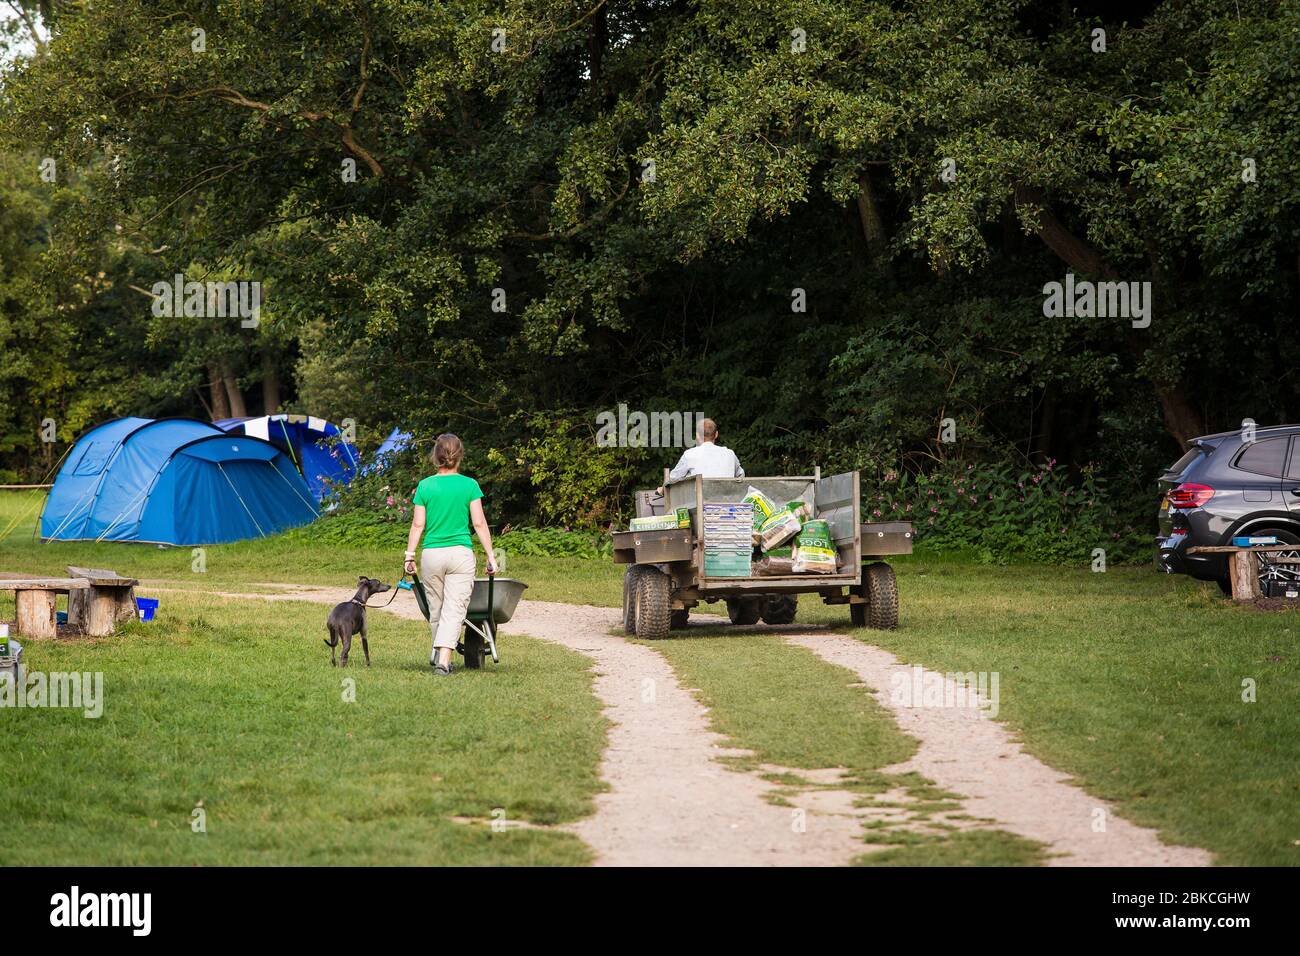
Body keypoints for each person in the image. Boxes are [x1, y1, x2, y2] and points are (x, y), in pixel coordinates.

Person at [404, 434, 496, 676]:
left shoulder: (425, 486)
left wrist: (409, 555)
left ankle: (441, 659)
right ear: (460, 456)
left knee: (436, 608)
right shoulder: (469, 485)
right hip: (460, 555)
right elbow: (478, 523)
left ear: (436, 457)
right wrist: (491, 555)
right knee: (454, 608)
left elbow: (417, 525)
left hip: (432, 555)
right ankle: (444, 660)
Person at [667, 418, 744, 482]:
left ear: (697, 435)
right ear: (716, 434)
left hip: (699, 499)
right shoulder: (730, 454)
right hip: (727, 499)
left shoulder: (689, 455)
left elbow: (673, 478)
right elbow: (741, 475)